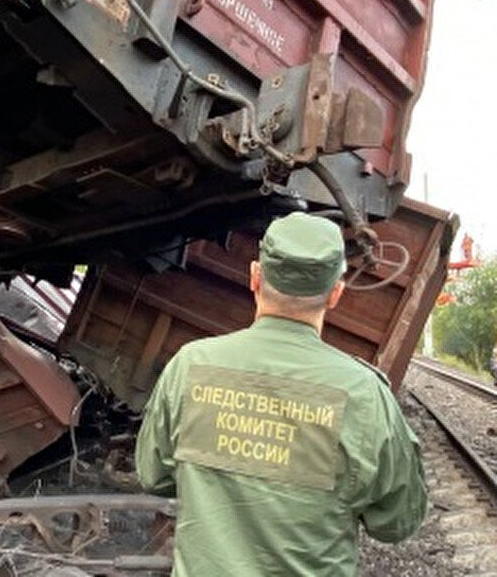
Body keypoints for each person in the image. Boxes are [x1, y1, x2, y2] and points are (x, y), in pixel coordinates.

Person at [135, 212, 427, 576]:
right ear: (335, 294)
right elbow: (396, 522)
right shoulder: (365, 394)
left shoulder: (190, 365)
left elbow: (153, 476)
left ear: (255, 277)